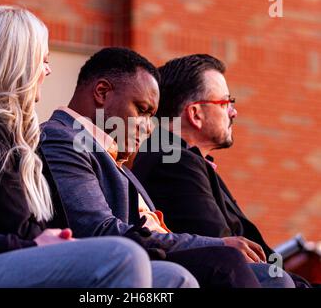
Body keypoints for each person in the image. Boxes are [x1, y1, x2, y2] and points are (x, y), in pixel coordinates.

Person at [0, 0, 196, 288]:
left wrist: (51, 241)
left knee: (175, 279)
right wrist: (38, 244)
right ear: (16, 64)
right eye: (42, 59)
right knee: (123, 257)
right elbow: (11, 228)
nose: (48, 69)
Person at [39, 47, 292, 288]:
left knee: (270, 276)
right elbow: (98, 229)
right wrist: (218, 244)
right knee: (227, 264)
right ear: (103, 92)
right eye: (142, 110)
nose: (149, 127)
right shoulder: (64, 138)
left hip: (149, 259)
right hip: (124, 263)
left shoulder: (118, 160)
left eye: (152, 116)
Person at [132, 54, 308, 288]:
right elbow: (231, 251)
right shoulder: (173, 162)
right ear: (196, 114)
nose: (233, 112)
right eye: (225, 103)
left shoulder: (186, 160)